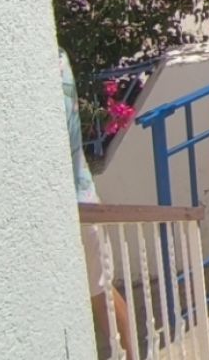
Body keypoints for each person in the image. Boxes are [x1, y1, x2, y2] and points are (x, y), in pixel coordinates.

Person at [63, 52, 134, 358]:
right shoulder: (58, 61)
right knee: (101, 292)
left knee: (100, 293)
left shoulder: (51, 65)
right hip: (80, 197)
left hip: (77, 202)